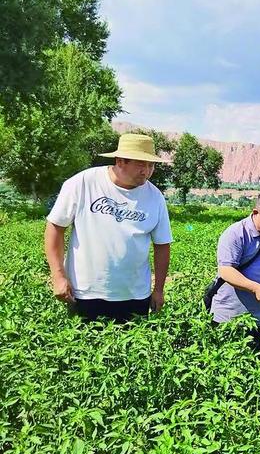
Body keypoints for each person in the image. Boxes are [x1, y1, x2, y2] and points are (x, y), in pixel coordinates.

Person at [45, 133, 172, 323]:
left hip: (135, 295)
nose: (146, 171)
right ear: (120, 161)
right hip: (85, 292)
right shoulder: (83, 183)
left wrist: (159, 290)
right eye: (140, 164)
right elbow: (55, 228)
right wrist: (58, 277)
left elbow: (162, 245)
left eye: (151, 165)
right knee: (82, 348)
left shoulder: (155, 197)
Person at [211, 189, 260, 353]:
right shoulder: (235, 234)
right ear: (255, 213)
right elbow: (226, 271)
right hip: (230, 316)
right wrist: (256, 288)